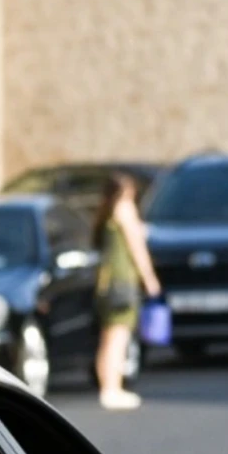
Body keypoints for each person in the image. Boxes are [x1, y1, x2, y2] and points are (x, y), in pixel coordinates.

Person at [91, 174, 162, 411]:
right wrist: (150, 279)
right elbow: (137, 248)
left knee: (108, 338)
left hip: (105, 283)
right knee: (118, 338)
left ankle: (107, 387)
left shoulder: (105, 213)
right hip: (122, 282)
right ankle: (113, 388)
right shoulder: (125, 210)